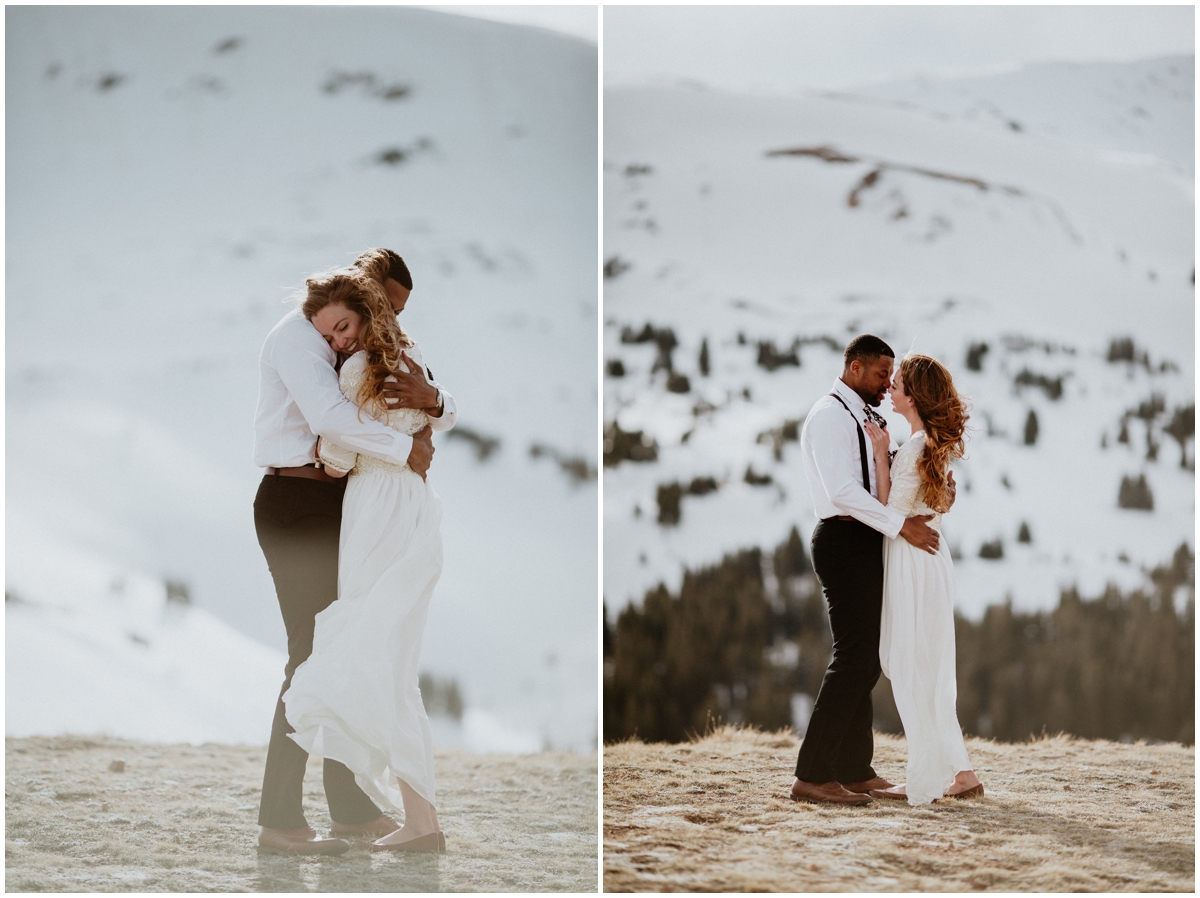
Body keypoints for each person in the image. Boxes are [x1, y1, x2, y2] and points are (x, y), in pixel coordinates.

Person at [252, 248, 453, 855]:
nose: (390, 315)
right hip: (296, 501)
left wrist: (432, 401)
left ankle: (349, 808)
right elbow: (330, 419)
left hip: (335, 507)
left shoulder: (361, 350)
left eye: (395, 309)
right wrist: (405, 449)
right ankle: (280, 821)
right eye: (385, 303)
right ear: (362, 291)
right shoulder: (299, 339)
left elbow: (423, 406)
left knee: (346, 647)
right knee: (311, 659)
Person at [790, 334, 948, 806]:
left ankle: (854, 770)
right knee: (855, 657)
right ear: (854, 367)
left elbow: (892, 475)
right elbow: (842, 491)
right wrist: (902, 527)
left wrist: (937, 482)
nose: (887, 385)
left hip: (867, 541)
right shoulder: (827, 416)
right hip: (841, 542)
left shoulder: (868, 416)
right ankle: (812, 774)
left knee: (868, 655)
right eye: (882, 374)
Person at [863, 354, 984, 804]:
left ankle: (927, 778)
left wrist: (880, 453)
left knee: (912, 665)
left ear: (911, 398)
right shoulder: (931, 442)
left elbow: (888, 513)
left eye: (895, 385)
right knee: (930, 667)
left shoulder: (914, 447)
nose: (889, 389)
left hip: (912, 559)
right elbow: (936, 502)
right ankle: (961, 772)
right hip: (931, 557)